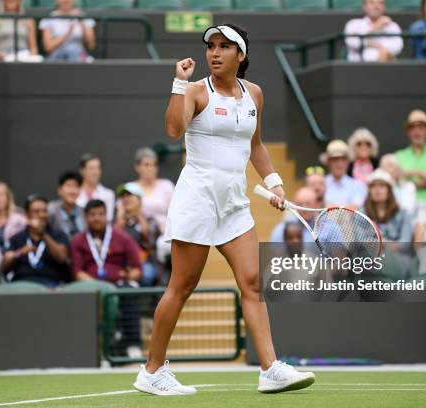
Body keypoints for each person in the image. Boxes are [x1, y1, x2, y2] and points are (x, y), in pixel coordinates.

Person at [134, 24, 315, 396]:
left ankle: (270, 369)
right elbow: (172, 130)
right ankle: (151, 372)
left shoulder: (255, 96)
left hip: (235, 204)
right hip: (197, 201)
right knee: (181, 286)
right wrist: (178, 84)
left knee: (252, 283)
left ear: (241, 55)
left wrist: (276, 182)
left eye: (224, 47)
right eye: (211, 47)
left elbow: (257, 146)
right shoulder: (196, 90)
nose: (214, 53)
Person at [70, 199, 143, 357]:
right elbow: (77, 272)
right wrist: (96, 284)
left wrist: (129, 275)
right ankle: (92, 348)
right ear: (85, 217)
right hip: (91, 287)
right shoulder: (78, 241)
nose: (97, 218)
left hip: (119, 285)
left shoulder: (122, 237)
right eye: (92, 214)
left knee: (129, 292)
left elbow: (137, 268)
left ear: (107, 215)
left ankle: (133, 344)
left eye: (101, 214)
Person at [1, 194, 70, 288]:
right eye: (36, 211)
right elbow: (4, 266)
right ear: (27, 215)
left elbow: (61, 257)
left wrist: (43, 234)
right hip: (22, 284)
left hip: (51, 284)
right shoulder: (17, 238)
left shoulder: (58, 235)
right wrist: (20, 252)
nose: (41, 215)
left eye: (44, 211)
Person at [115, 183, 160, 287]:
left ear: (139, 199)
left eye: (129, 195)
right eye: (123, 196)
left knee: (147, 274)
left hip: (142, 262)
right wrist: (119, 222)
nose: (126, 199)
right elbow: (110, 243)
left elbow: (151, 245)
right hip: (119, 263)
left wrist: (141, 221)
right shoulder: (116, 221)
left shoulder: (150, 220)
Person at [132, 147, 175, 234]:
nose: (151, 168)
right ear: (137, 167)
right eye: (146, 164)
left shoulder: (167, 185)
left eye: (154, 164)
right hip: (138, 234)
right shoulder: (129, 188)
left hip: (165, 233)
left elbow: (175, 212)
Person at [321, 139, 366, 209]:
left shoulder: (358, 186)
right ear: (328, 162)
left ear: (348, 162)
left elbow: (353, 210)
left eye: (343, 159)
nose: (339, 164)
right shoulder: (321, 183)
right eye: (335, 159)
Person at [76, 153, 115, 222]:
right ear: (82, 171)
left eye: (98, 168)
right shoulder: (74, 193)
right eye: (91, 168)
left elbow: (108, 220)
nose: (95, 172)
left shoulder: (108, 194)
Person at [48, 170, 86, 240]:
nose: (72, 191)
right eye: (68, 186)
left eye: (76, 186)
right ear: (59, 190)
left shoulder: (84, 212)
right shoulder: (50, 210)